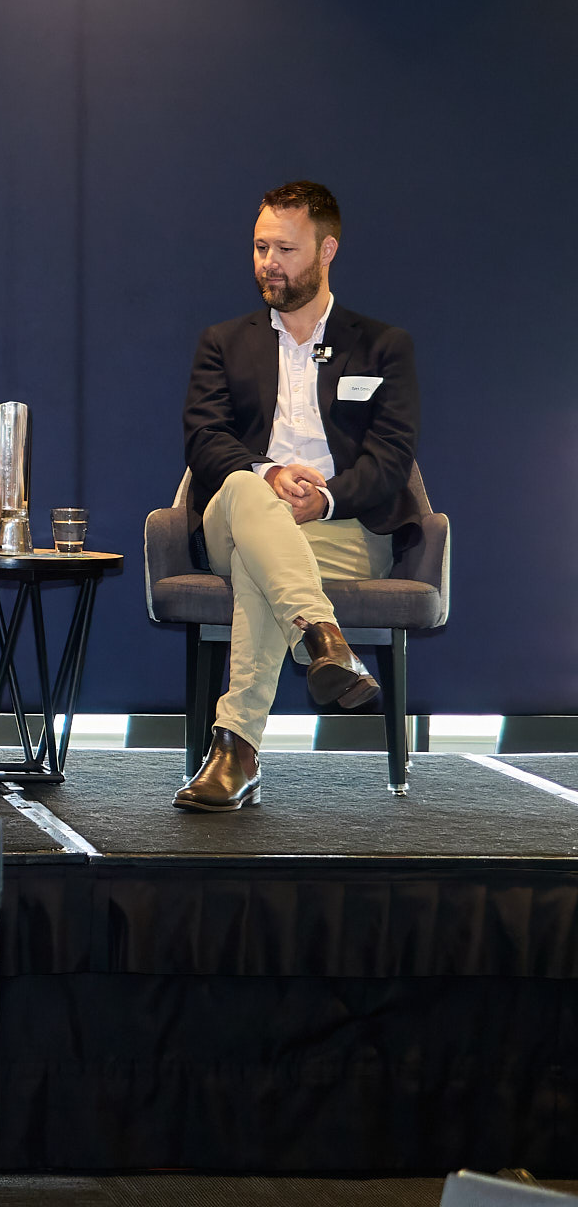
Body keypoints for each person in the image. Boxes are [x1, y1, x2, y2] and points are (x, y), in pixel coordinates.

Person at [173, 181, 421, 813]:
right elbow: (204, 439)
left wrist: (326, 499)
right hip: (238, 513)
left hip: (345, 530)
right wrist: (270, 474)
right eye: (261, 248)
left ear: (326, 250)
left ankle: (235, 753)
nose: (269, 263)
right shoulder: (224, 342)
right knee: (246, 488)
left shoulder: (382, 346)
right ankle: (323, 639)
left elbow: (391, 460)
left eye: (285, 249)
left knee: (261, 570)